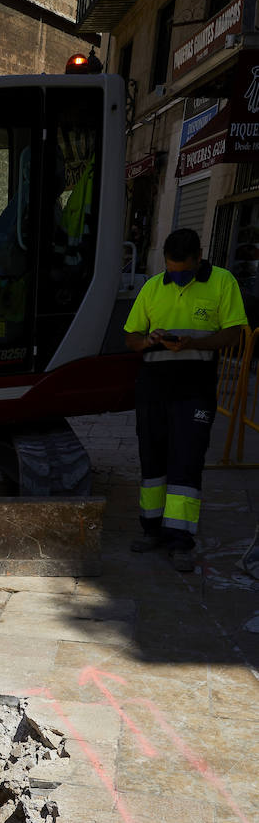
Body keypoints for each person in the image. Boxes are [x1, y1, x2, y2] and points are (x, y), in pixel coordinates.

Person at [123, 228, 248, 572]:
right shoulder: (153, 286)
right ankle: (152, 529)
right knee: (152, 463)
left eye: (183, 270)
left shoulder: (222, 282)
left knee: (186, 464)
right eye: (171, 269)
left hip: (195, 391)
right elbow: (131, 338)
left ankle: (180, 541)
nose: (176, 276)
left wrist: (193, 344)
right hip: (153, 390)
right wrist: (150, 340)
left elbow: (234, 332)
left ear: (198, 258)